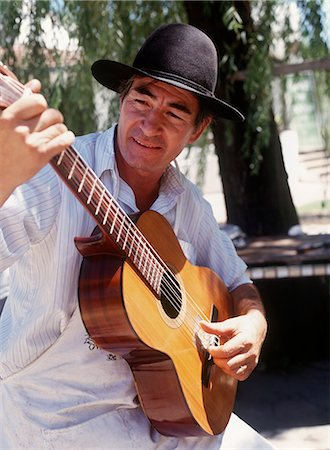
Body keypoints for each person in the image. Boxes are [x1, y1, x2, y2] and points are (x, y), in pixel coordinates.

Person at [0, 24, 274, 449]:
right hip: (50, 414)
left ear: (198, 130)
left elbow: (238, 282)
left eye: (174, 112)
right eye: (141, 100)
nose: (149, 124)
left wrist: (255, 323)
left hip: (163, 410)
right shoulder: (55, 173)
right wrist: (4, 174)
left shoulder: (187, 202)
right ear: (122, 100)